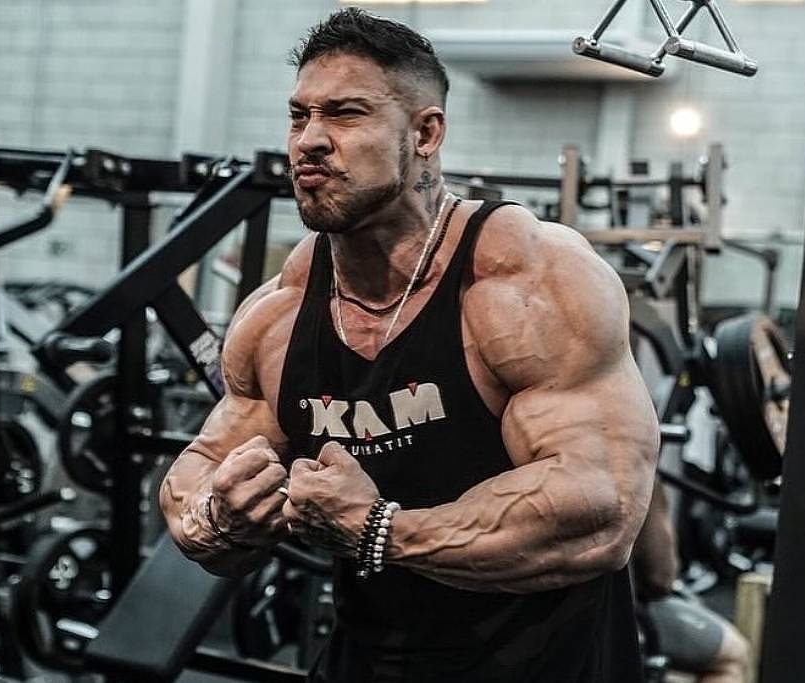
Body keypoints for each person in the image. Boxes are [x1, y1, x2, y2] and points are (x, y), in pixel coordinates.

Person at [161, 8, 659, 682]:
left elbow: (600, 510)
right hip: (370, 658)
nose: (310, 140)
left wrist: (379, 529)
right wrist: (221, 516)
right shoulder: (278, 314)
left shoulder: (527, 279)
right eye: (299, 115)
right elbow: (198, 473)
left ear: (426, 133)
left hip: (547, 666)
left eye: (345, 114)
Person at [633, 481, 751, 683]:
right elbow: (659, 579)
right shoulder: (634, 469)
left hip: (581, 614)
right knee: (733, 654)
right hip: (620, 615)